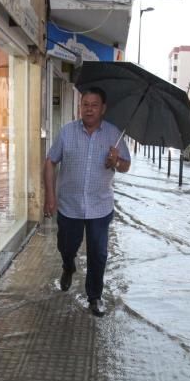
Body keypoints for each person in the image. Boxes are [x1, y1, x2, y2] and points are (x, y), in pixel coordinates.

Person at [43, 87, 131, 317]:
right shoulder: (66, 132)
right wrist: (50, 196)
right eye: (85, 104)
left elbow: (126, 166)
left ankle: (95, 296)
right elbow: (50, 162)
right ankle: (68, 266)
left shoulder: (114, 134)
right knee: (66, 246)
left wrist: (116, 161)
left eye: (94, 105)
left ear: (103, 108)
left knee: (98, 254)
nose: (89, 109)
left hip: (100, 207)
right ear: (79, 107)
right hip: (69, 206)